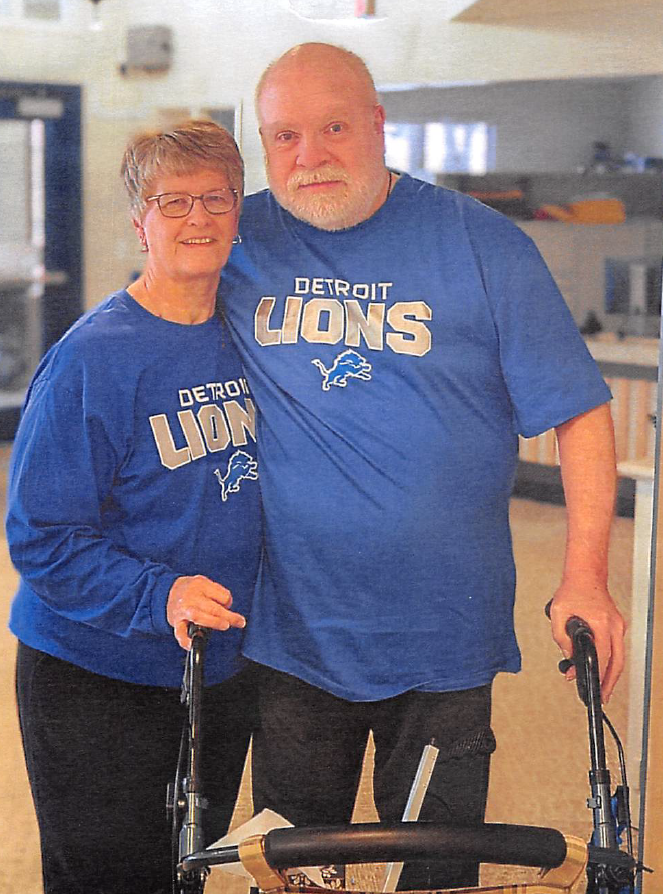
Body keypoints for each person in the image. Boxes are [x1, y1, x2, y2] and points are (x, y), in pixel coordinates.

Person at [220, 43, 626, 889]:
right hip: (292, 634)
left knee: (436, 874)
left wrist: (584, 575)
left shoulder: (480, 243)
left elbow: (579, 415)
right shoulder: (238, 239)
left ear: (377, 124)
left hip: (443, 634)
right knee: (297, 875)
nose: (310, 156)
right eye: (284, 136)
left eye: (332, 127)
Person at [7, 120, 260, 894]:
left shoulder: (249, 335)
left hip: (216, 669)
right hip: (97, 673)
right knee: (109, 879)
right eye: (173, 201)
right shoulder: (94, 356)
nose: (197, 219)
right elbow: (41, 537)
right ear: (138, 220)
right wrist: (159, 594)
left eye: (216, 199)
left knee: (182, 871)